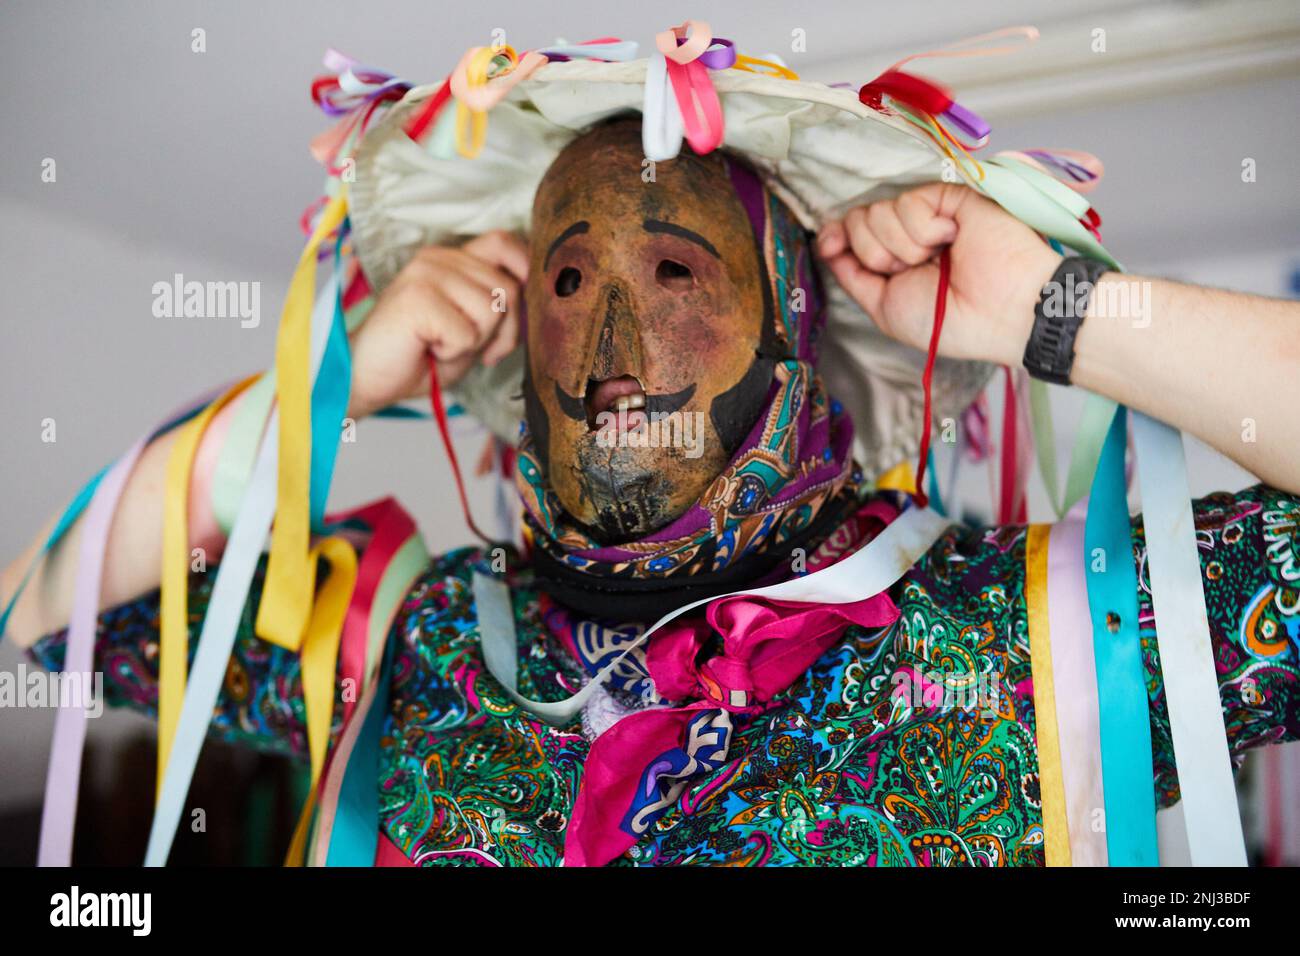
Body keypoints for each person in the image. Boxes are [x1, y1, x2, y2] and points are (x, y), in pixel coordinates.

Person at [4, 118, 1298, 867]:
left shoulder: (1028, 641)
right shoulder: (407, 639)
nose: (615, 349)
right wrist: (326, 393)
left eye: (676, 272)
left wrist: (1054, 312)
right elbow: (34, 629)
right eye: (568, 284)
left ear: (793, 322)